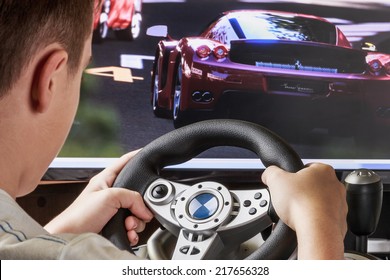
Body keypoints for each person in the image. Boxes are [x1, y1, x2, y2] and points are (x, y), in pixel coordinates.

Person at [0, 0, 347, 260]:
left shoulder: (48, 256)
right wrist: (320, 222)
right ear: (50, 78)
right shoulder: (82, 260)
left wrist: (60, 233)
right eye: (84, 70)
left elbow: (27, 253)